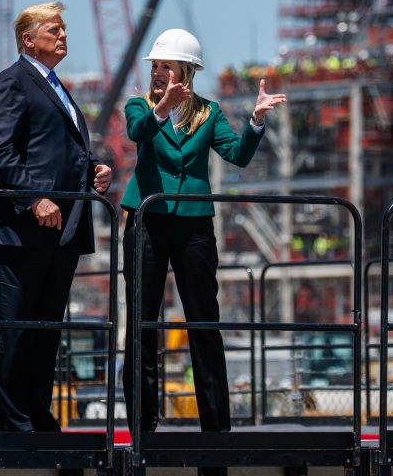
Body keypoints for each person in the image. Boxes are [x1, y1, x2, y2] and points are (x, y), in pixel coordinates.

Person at [120, 28, 286, 440]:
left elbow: (238, 156)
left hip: (194, 225)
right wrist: (162, 109)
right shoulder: (139, 107)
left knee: (203, 323)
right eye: (155, 67)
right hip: (148, 222)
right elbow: (137, 133)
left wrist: (256, 119)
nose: (158, 74)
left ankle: (216, 429)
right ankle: (142, 428)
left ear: (187, 72)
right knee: (141, 323)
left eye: (166, 67)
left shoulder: (208, 113)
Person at [0, 1, 112, 432]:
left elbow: (59, 148)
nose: (63, 35)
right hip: (24, 229)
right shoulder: (12, 83)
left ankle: (38, 413)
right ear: (28, 39)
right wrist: (35, 198)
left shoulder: (56, 86)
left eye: (64, 28)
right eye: (54, 29)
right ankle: (14, 421)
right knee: (17, 328)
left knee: (46, 329)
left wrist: (94, 166)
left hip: (62, 230)